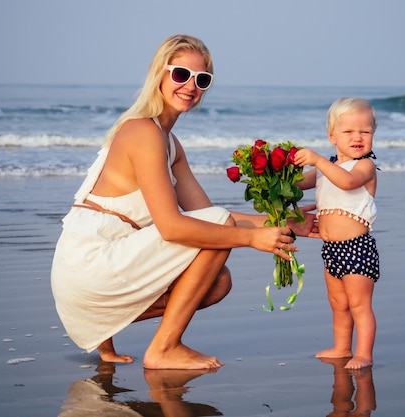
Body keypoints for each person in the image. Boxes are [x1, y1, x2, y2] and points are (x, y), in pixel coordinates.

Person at [51, 34, 315, 370]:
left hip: (94, 271)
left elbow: (207, 217)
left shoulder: (169, 142)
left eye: (201, 79)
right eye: (181, 75)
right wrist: (251, 238)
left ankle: (106, 335)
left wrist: (285, 225)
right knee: (216, 230)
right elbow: (175, 227)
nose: (191, 86)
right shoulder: (142, 132)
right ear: (159, 74)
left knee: (219, 281)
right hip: (88, 267)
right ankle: (164, 348)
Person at [294, 97, 380, 369]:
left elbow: (347, 182)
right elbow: (295, 186)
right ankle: (342, 347)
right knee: (337, 303)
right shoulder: (325, 169)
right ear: (332, 136)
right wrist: (282, 171)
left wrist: (317, 160)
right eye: (349, 131)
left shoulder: (364, 167)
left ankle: (363, 354)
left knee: (359, 305)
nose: (358, 137)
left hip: (357, 248)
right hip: (331, 250)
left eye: (365, 132)